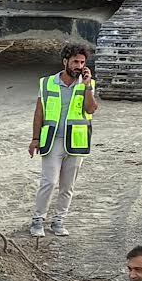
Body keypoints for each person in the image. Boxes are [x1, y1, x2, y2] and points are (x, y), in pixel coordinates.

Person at [27, 42, 98, 236]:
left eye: (82, 62)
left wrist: (87, 87)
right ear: (65, 61)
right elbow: (39, 112)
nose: (79, 66)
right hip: (52, 140)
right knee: (48, 182)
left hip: (76, 141)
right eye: (75, 61)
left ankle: (59, 221)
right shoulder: (47, 83)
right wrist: (35, 139)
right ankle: (38, 220)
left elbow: (91, 109)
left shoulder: (86, 84)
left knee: (68, 186)